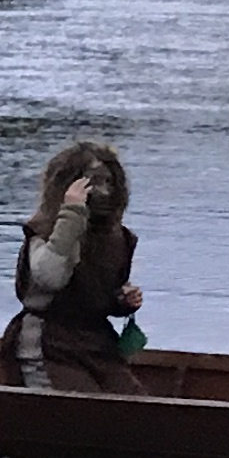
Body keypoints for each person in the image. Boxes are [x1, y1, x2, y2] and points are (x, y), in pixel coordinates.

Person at [9, 141, 144, 393]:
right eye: (93, 182)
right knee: (78, 413)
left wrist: (121, 300)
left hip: (97, 342)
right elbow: (50, 277)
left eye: (109, 183)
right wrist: (71, 214)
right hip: (47, 343)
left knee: (137, 411)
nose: (103, 191)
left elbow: (96, 293)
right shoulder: (45, 231)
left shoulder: (119, 238)